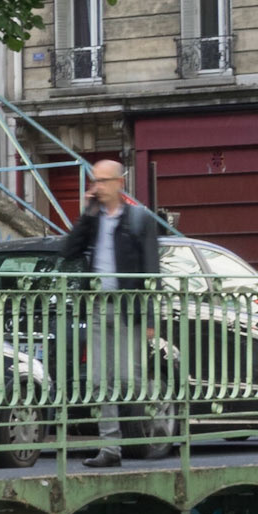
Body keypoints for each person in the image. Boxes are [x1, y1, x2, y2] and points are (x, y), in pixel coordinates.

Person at [57, 159, 161, 469]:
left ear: (120, 183)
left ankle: (162, 415)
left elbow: (151, 272)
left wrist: (150, 320)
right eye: (95, 181)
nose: (97, 187)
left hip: (129, 307)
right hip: (99, 306)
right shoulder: (94, 219)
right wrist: (87, 214)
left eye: (103, 181)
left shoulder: (139, 219)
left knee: (131, 379)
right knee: (101, 380)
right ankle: (110, 448)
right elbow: (68, 251)